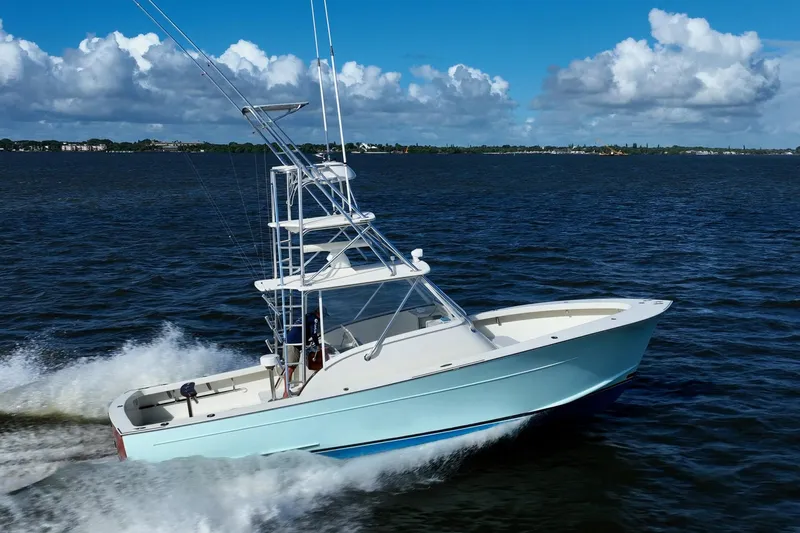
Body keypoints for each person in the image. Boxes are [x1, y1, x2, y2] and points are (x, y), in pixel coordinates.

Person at [283, 307, 323, 387]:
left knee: (289, 368)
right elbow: (314, 333)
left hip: (289, 342)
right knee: (290, 369)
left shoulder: (307, 316)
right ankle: (286, 392)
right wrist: (318, 346)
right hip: (293, 345)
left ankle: (287, 390)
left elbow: (302, 330)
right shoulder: (315, 319)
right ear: (319, 314)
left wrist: (307, 341)